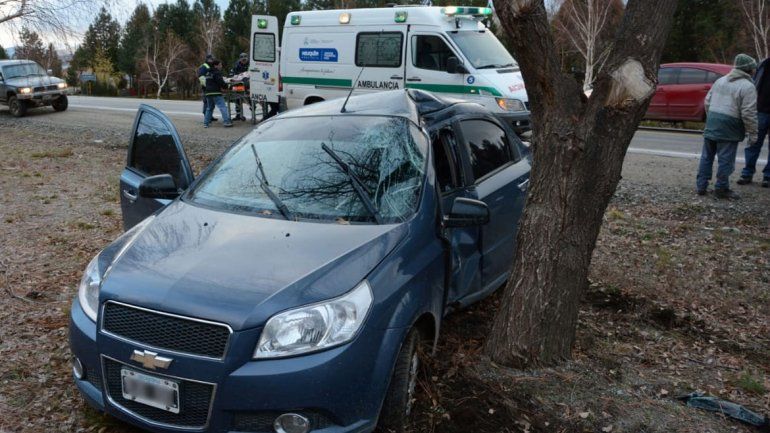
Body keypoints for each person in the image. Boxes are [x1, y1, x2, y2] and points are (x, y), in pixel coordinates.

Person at [696, 54, 758, 199]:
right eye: (754, 68)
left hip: (712, 121)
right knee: (726, 160)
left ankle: (701, 186)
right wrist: (753, 132)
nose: (755, 70)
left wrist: (711, 118)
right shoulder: (748, 86)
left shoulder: (720, 80)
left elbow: (707, 101)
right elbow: (748, 112)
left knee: (706, 157)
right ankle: (721, 188)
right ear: (749, 69)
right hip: (729, 126)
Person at [737, 56, 770, 188]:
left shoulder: (763, 63)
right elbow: (755, 82)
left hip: (761, 109)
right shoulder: (764, 63)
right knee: (753, 142)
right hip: (760, 109)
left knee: (754, 143)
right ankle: (747, 173)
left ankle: (767, 176)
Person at [203, 60, 233, 128]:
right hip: (216, 92)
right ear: (215, 65)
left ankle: (206, 123)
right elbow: (220, 82)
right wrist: (228, 86)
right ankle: (227, 122)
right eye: (220, 65)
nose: (221, 66)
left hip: (208, 93)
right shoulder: (216, 72)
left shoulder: (208, 73)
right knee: (223, 107)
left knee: (209, 108)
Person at [230, 52, 249, 121]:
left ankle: (252, 107)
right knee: (237, 98)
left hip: (248, 86)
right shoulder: (236, 65)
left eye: (245, 59)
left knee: (248, 97)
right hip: (239, 86)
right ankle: (238, 114)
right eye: (242, 59)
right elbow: (232, 74)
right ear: (240, 59)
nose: (244, 60)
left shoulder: (250, 64)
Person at [198, 54, 217, 122]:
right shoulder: (204, 66)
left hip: (210, 87)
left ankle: (210, 116)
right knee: (206, 102)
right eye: (211, 59)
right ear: (208, 59)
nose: (212, 60)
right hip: (206, 88)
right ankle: (207, 117)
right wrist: (207, 85)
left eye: (213, 59)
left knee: (211, 102)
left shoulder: (210, 66)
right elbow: (201, 77)